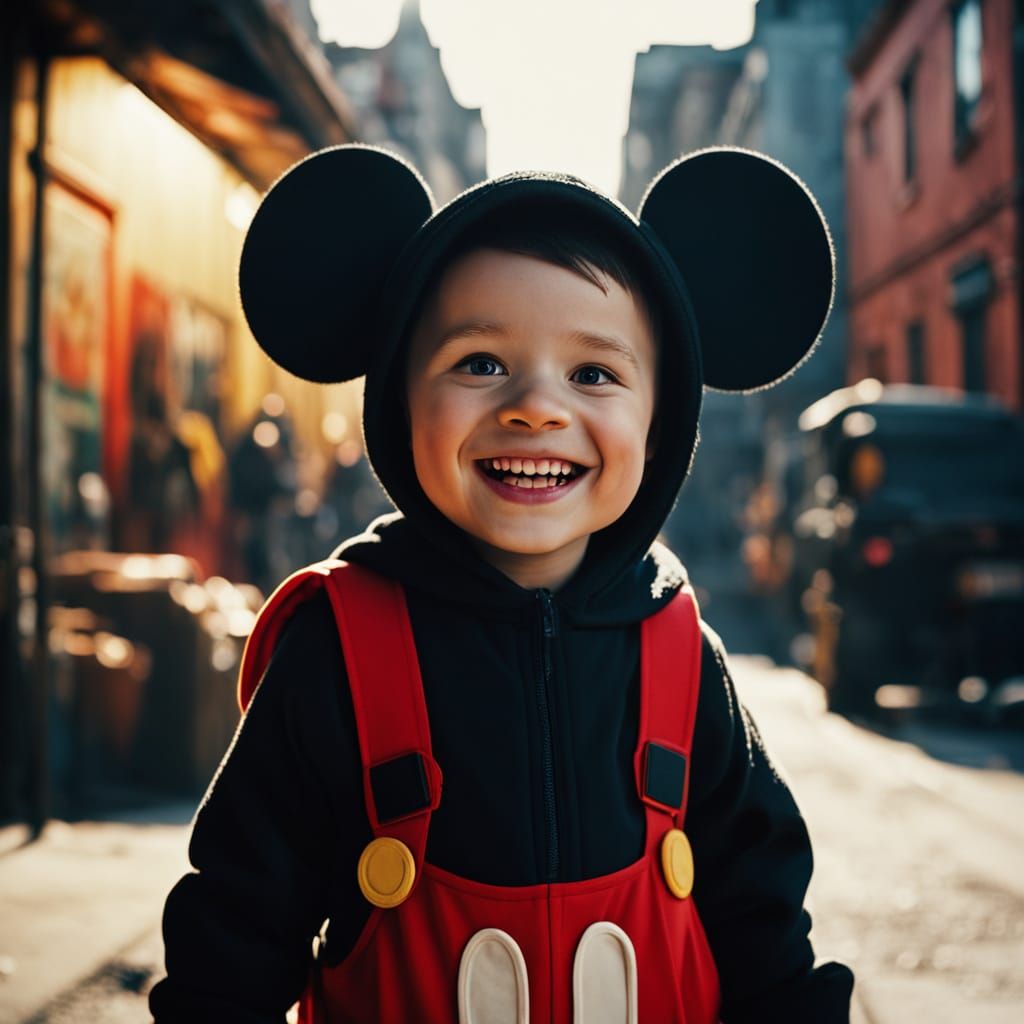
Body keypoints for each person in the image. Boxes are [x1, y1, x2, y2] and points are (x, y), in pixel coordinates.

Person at [150, 145, 853, 1022]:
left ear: (662, 417)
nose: (536, 406)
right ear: (398, 396)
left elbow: (769, 935)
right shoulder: (337, 649)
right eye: (480, 362)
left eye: (594, 373)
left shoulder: (681, 660)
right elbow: (233, 941)